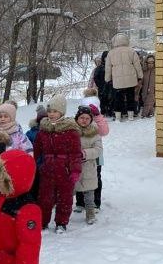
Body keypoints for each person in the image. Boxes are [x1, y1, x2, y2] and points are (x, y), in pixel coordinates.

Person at [33, 94, 82, 232]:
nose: (51, 114)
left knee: (64, 198)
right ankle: (43, 221)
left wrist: (75, 170)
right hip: (47, 170)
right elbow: (37, 148)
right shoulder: (44, 129)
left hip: (64, 170)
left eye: (55, 111)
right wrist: (38, 164)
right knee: (44, 197)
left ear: (62, 111)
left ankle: (61, 222)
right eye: (49, 111)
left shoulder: (70, 131)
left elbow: (75, 153)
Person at [75, 98, 108, 212]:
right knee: (79, 177)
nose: (84, 120)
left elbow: (104, 131)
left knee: (95, 178)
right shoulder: (76, 125)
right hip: (79, 158)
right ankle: (80, 202)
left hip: (97, 157)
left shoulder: (95, 123)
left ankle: (95, 203)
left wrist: (98, 116)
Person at [73, 106, 103, 225]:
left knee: (89, 191)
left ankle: (90, 213)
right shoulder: (71, 131)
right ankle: (77, 205)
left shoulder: (94, 133)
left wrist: (85, 153)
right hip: (73, 166)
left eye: (87, 118)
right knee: (74, 187)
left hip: (88, 166)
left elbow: (98, 149)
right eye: (81, 118)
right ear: (77, 119)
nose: (84, 120)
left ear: (91, 119)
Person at [104, 33, 143, 121]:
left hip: (117, 81)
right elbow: (137, 65)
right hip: (131, 79)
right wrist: (140, 76)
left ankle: (118, 117)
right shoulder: (131, 51)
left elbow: (108, 68)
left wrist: (107, 79)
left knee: (118, 99)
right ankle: (131, 116)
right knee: (130, 98)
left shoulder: (111, 53)